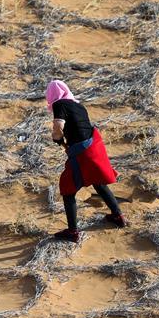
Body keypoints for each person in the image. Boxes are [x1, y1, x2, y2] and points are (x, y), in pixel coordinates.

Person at [46, 79, 126, 243]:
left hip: (82, 152)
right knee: (98, 182)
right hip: (94, 148)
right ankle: (118, 216)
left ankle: (73, 231)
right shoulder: (78, 105)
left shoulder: (59, 104)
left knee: (67, 189)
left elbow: (58, 125)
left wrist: (57, 138)